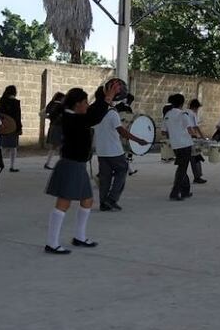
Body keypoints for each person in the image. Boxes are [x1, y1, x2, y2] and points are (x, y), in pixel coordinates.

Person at [44, 85, 113, 254]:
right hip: (71, 165)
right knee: (63, 203)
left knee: (87, 201)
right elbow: (93, 117)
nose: (87, 106)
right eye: (85, 103)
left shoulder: (72, 116)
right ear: (78, 104)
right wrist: (107, 99)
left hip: (77, 165)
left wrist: (104, 98)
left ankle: (79, 237)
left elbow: (92, 114)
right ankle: (52, 243)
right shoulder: (72, 119)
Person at [93, 80, 148, 211]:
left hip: (101, 150)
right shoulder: (112, 112)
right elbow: (122, 131)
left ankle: (103, 203)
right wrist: (138, 140)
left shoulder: (94, 111)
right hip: (114, 151)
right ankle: (112, 199)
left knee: (105, 177)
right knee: (122, 171)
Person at [164, 93, 194, 201]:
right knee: (182, 169)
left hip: (175, 145)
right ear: (182, 103)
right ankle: (175, 192)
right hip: (185, 144)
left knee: (182, 167)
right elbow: (191, 130)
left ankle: (185, 191)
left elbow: (164, 131)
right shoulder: (183, 115)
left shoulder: (167, 114)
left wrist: (173, 135)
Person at [0, 85, 23, 172]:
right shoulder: (15, 102)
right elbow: (17, 117)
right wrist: (19, 128)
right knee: (12, 147)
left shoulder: (2, 101)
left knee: (4, 146)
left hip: (4, 126)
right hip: (13, 127)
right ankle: (11, 166)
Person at [184, 98, 207, 184]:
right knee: (196, 157)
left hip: (183, 137)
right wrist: (202, 136)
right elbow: (196, 127)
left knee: (186, 159)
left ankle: (183, 176)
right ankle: (197, 176)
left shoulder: (184, 112)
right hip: (191, 137)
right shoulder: (192, 114)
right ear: (195, 107)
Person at [43, 91, 66, 170]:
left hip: (52, 126)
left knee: (54, 146)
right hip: (59, 127)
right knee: (60, 146)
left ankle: (48, 162)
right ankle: (60, 163)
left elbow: (45, 113)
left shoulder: (51, 104)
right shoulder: (61, 106)